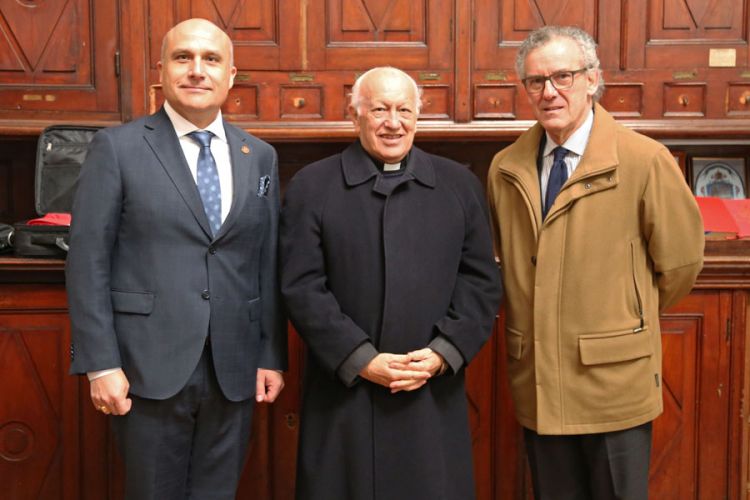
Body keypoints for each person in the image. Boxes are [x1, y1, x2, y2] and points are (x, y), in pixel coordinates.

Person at [66, 18, 286, 500]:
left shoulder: (259, 156)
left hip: (234, 369)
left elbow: (265, 262)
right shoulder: (117, 148)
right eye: (183, 57)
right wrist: (100, 364)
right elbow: (87, 261)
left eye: (211, 59)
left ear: (231, 75)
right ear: (162, 70)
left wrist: (271, 355)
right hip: (145, 368)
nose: (197, 70)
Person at [487, 25, 704, 499]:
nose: (549, 92)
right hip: (540, 382)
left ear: (592, 79)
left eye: (562, 76)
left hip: (613, 382)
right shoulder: (505, 168)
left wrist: (623, 313)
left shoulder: (645, 160)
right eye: (536, 81)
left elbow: (681, 265)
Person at [280, 66, 502, 500]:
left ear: (419, 116)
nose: (393, 123)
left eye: (405, 110)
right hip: (344, 392)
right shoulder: (312, 185)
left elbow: (480, 281)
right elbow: (301, 286)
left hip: (430, 391)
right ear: (355, 115)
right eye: (380, 109)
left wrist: (442, 353)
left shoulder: (459, 185)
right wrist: (360, 358)